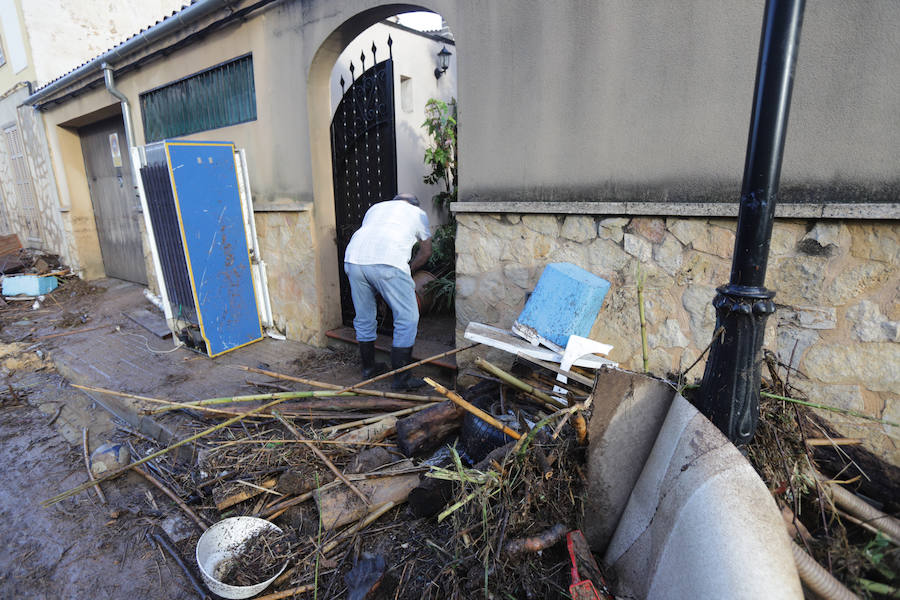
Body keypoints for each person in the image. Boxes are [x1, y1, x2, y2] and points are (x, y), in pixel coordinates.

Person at [343, 193, 433, 390]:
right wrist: (408, 269)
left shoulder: (376, 208)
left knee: (364, 317)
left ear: (394, 201)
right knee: (407, 318)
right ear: (413, 204)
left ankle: (368, 369)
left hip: (353, 260)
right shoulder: (417, 213)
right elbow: (426, 251)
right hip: (388, 263)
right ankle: (402, 380)